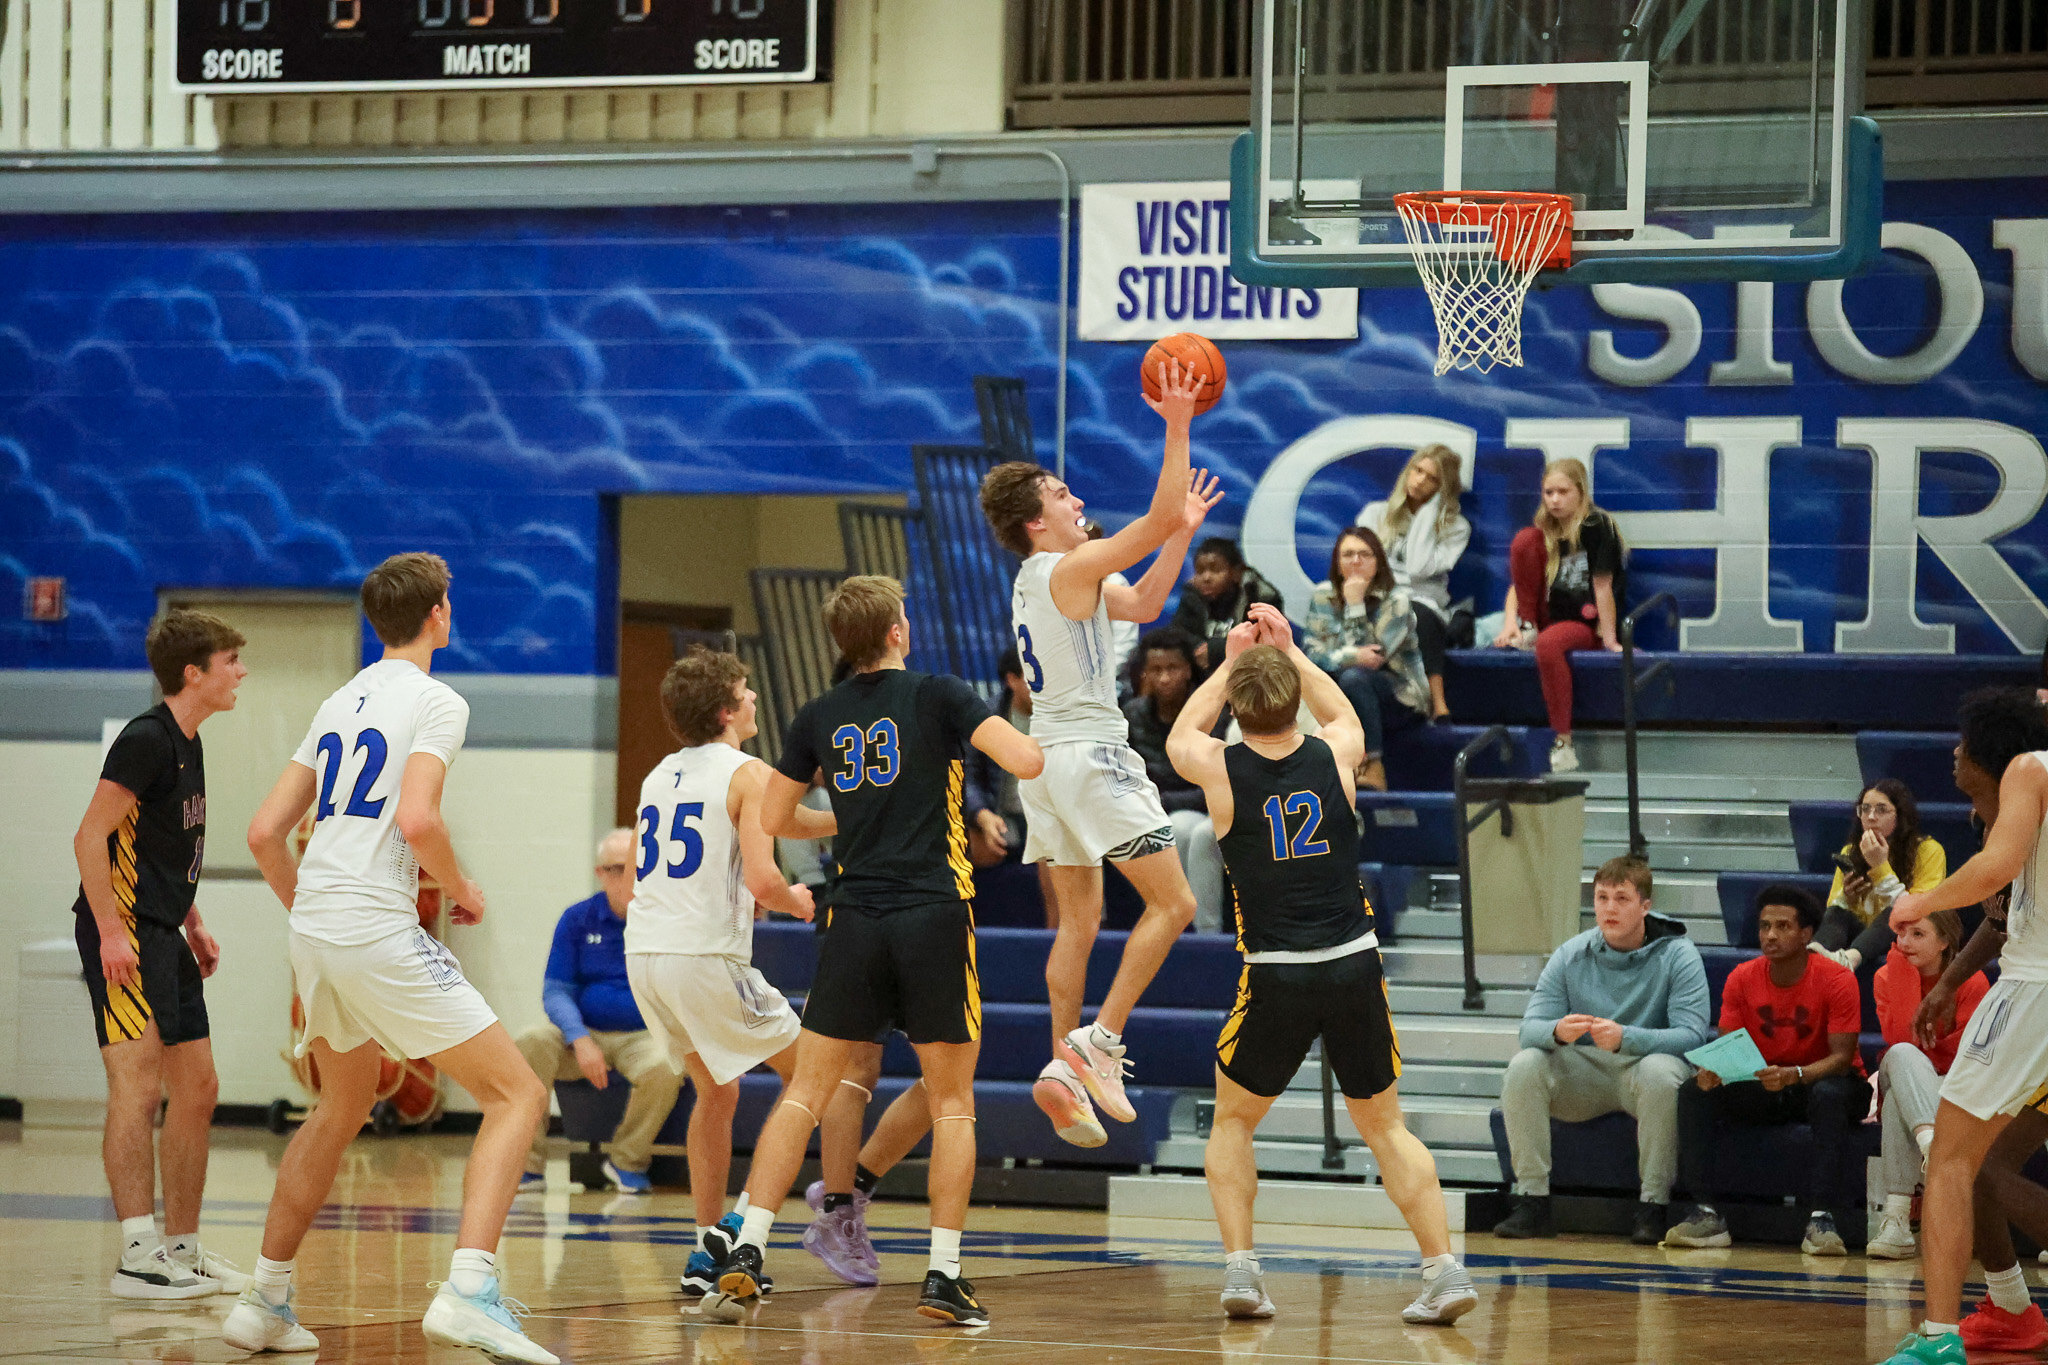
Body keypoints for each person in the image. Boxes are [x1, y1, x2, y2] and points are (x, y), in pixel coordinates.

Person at [230, 553, 556, 1364]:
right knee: (517, 1093)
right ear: (439, 613)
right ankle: (470, 1290)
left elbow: (264, 832)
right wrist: (462, 886)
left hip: (317, 930)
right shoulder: (439, 698)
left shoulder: (339, 700)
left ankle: (263, 1299)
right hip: (376, 927)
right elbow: (417, 816)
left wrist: (313, 912)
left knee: (339, 1108)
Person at [715, 575, 1042, 1328]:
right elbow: (1025, 762)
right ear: (898, 628)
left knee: (803, 1092)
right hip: (932, 911)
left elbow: (775, 816)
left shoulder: (818, 714)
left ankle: (748, 1250)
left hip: (853, 912)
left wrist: (852, 824)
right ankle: (945, 1275)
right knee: (952, 1099)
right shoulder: (943, 693)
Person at [1165, 602, 1477, 1327]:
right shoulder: (1336, 754)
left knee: (1233, 1123)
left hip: (1277, 969)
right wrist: (1291, 653)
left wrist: (1228, 664)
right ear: (1294, 701)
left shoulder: (1219, 767)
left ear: (1241, 707)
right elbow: (1346, 716)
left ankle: (1242, 1272)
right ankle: (1443, 1267)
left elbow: (1184, 733)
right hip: (1353, 962)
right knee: (1387, 1125)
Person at [977, 359, 1221, 1151]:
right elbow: (1143, 526)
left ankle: (1061, 1070)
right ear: (1034, 522)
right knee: (1176, 904)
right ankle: (1101, 1040)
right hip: (1088, 753)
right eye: (1060, 495)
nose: (1076, 500)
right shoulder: (1068, 565)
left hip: (1044, 765)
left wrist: (1180, 532)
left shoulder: (1041, 579)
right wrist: (1177, 424)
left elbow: (1148, 601)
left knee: (1079, 919)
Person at [623, 646, 833, 1297]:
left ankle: (704, 1243)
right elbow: (768, 876)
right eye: (745, 690)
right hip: (703, 955)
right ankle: (740, 1222)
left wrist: (847, 819)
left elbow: (783, 817)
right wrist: (797, 900)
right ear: (724, 709)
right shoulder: (746, 770)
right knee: (814, 1078)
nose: (754, 700)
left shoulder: (659, 774)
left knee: (717, 1092)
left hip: (646, 956)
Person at [1868, 688, 2048, 1365]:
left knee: (1951, 1155)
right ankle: (2008, 1308)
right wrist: (1948, 980)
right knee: (1982, 1165)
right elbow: (2006, 902)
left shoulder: (2031, 767)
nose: (1953, 751)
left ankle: (1939, 1338)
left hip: (2037, 988)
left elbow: (1995, 873)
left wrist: (1922, 898)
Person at [71, 609, 248, 1300]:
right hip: (124, 933)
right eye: (231, 660)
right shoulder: (145, 740)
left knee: (198, 1087)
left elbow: (155, 850)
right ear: (193, 671)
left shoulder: (189, 741)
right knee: (139, 1087)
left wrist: (192, 919)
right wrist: (114, 932)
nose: (242, 673)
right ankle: (138, 1254)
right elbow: (91, 838)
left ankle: (184, 1247)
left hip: (163, 930)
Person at [1492, 856, 1712, 1247]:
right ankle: (1532, 1201)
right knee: (1525, 1065)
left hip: (1642, 1069)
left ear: (1645, 906)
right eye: (1602, 897)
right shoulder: (1570, 954)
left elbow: (1692, 1037)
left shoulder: (1679, 954)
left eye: (1622, 899)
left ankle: (1653, 1207)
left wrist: (1629, 1037)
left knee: (1662, 1073)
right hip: (1585, 1075)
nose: (1609, 908)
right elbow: (1529, 1030)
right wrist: (1557, 1031)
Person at [1665, 885, 1867, 1256]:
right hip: (1764, 1081)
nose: (1771, 935)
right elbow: (1728, 1049)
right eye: (1764, 926)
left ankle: (1821, 1219)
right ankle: (1706, 1213)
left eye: (1783, 926)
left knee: (1830, 1093)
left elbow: (1842, 1058)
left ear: (1806, 935)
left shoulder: (1837, 979)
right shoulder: (1742, 977)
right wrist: (1713, 1072)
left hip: (1824, 1082)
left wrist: (1798, 1074)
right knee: (1694, 1091)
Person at [513, 828, 683, 1197]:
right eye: (615, 869)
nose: (626, 877)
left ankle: (626, 1161)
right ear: (600, 874)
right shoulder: (577, 919)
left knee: (667, 1065)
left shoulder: (663, 919)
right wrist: (579, 1037)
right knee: (530, 1041)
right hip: (583, 1033)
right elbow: (556, 990)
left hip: (642, 1036)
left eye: (633, 868)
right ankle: (527, 1167)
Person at [1490, 457, 1626, 775]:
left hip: (1584, 624)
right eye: (1548, 492)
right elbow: (1518, 585)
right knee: (1525, 539)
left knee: (1550, 643)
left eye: (1562, 492)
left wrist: (1609, 640)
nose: (1554, 500)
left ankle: (1563, 742)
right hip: (1548, 620)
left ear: (1580, 492)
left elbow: (1603, 586)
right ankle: (1529, 628)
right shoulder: (1545, 533)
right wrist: (1512, 622)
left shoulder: (1597, 527)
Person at [1866, 909, 1987, 1259]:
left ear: (1945, 941)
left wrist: (1931, 1051)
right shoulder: (1886, 977)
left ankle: (1898, 1221)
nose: (1904, 943)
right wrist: (1903, 972)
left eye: (1917, 935)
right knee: (1902, 1054)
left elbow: (1969, 1055)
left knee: (1899, 1101)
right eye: (1900, 934)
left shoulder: (1973, 981)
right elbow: (1902, 1037)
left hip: (1955, 1084)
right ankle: (1933, 1145)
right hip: (1904, 1070)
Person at [1303, 526, 1431, 792]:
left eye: (1365, 554)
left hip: (1399, 696)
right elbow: (1312, 657)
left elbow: (1372, 658)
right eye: (1348, 554)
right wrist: (1348, 656)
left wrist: (1355, 605)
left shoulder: (1397, 602)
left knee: (1353, 678)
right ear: (1337, 563)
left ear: (1378, 563)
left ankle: (1373, 766)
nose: (1356, 561)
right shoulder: (1321, 596)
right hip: (1343, 690)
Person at [1122, 627, 1227, 933]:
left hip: (1208, 810)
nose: (1165, 678)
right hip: (1151, 814)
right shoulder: (1131, 715)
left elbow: (1220, 784)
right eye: (1156, 670)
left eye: (1173, 668)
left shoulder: (1213, 713)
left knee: (1181, 828)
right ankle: (1171, 927)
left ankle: (1201, 933)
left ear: (1189, 671)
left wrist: (1165, 801)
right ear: (1144, 674)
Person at [1357, 444, 1470, 719]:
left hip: (1424, 603)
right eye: (1418, 470)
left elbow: (1418, 568)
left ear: (1444, 489)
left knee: (1414, 610)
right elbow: (1360, 568)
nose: (1420, 480)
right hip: (1380, 599)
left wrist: (1430, 512)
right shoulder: (1375, 514)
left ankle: (1436, 701)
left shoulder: (1456, 527)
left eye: (1433, 479)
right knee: (1394, 608)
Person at [1817, 779, 1946, 973]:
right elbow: (1833, 908)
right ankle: (1813, 961)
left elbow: (1918, 910)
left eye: (1881, 810)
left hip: (1906, 934)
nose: (1871, 817)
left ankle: (1851, 958)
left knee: (1897, 913)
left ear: (1900, 815)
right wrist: (1848, 898)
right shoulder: (1851, 850)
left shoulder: (1929, 850)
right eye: (1865, 809)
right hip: (1864, 932)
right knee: (1837, 912)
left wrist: (1880, 866)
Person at [1170, 536, 1284, 673]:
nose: (1206, 577)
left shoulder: (1261, 596)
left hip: (1250, 676)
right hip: (1202, 675)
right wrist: (1198, 647)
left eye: (1215, 570)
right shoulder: (1192, 595)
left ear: (1236, 573)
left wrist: (1214, 650)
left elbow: (1263, 643)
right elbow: (1177, 634)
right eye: (1200, 571)